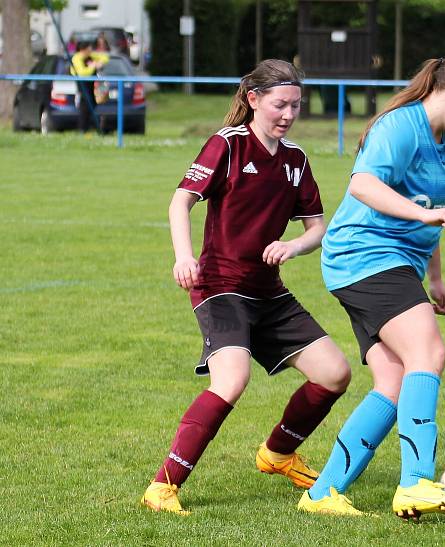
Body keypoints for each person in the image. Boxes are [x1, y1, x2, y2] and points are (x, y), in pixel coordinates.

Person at [140, 59, 352, 516]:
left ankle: (277, 454)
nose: (288, 114)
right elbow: (181, 203)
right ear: (254, 99)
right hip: (220, 285)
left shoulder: (295, 161)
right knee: (232, 379)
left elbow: (318, 227)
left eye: (296, 105)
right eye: (280, 104)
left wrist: (293, 246)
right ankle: (163, 487)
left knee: (335, 373)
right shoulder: (228, 145)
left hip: (268, 291)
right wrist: (183, 256)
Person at [297, 52, 445, 519]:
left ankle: (323, 492)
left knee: (392, 383)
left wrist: (436, 277)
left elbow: (434, 211)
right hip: (364, 256)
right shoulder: (400, 126)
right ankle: (414, 483)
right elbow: (364, 186)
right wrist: (424, 214)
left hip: (391, 266)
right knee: (428, 355)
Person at [69, 41, 108, 133]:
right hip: (83, 85)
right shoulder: (77, 58)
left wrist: (99, 62)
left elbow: (105, 57)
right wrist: (93, 66)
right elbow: (82, 73)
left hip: (93, 84)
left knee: (94, 104)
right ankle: (83, 129)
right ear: (83, 50)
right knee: (85, 106)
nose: (91, 51)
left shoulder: (91, 56)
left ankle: (95, 127)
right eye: (89, 49)